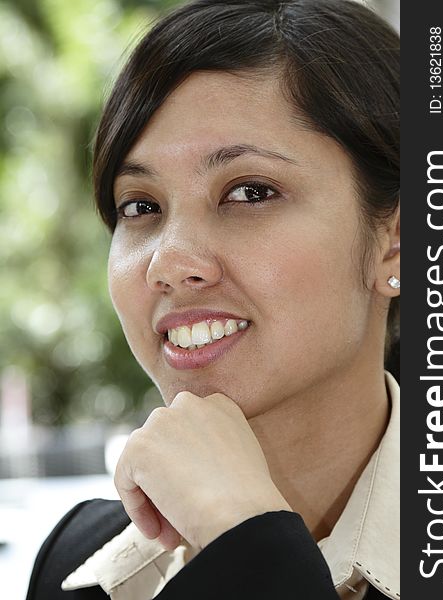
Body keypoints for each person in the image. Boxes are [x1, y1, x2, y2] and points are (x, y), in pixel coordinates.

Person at [26, 0, 400, 598]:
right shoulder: (75, 563)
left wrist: (249, 542)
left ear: (397, 243)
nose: (169, 264)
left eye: (249, 192)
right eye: (139, 206)